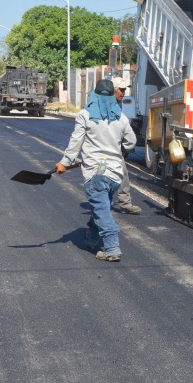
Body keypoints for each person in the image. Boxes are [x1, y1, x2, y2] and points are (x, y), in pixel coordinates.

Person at [55, 78, 137, 261]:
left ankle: (112, 247)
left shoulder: (85, 115)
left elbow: (75, 143)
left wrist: (64, 163)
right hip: (115, 175)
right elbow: (131, 143)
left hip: (96, 174)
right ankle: (92, 239)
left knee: (102, 211)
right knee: (100, 207)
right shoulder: (121, 118)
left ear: (95, 94)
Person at [111, 75, 142, 214]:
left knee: (123, 174)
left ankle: (125, 203)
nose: (123, 93)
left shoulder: (118, 103)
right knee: (103, 175)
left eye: (124, 90)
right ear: (114, 90)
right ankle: (103, 203)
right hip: (106, 147)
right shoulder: (108, 104)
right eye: (121, 90)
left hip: (116, 146)